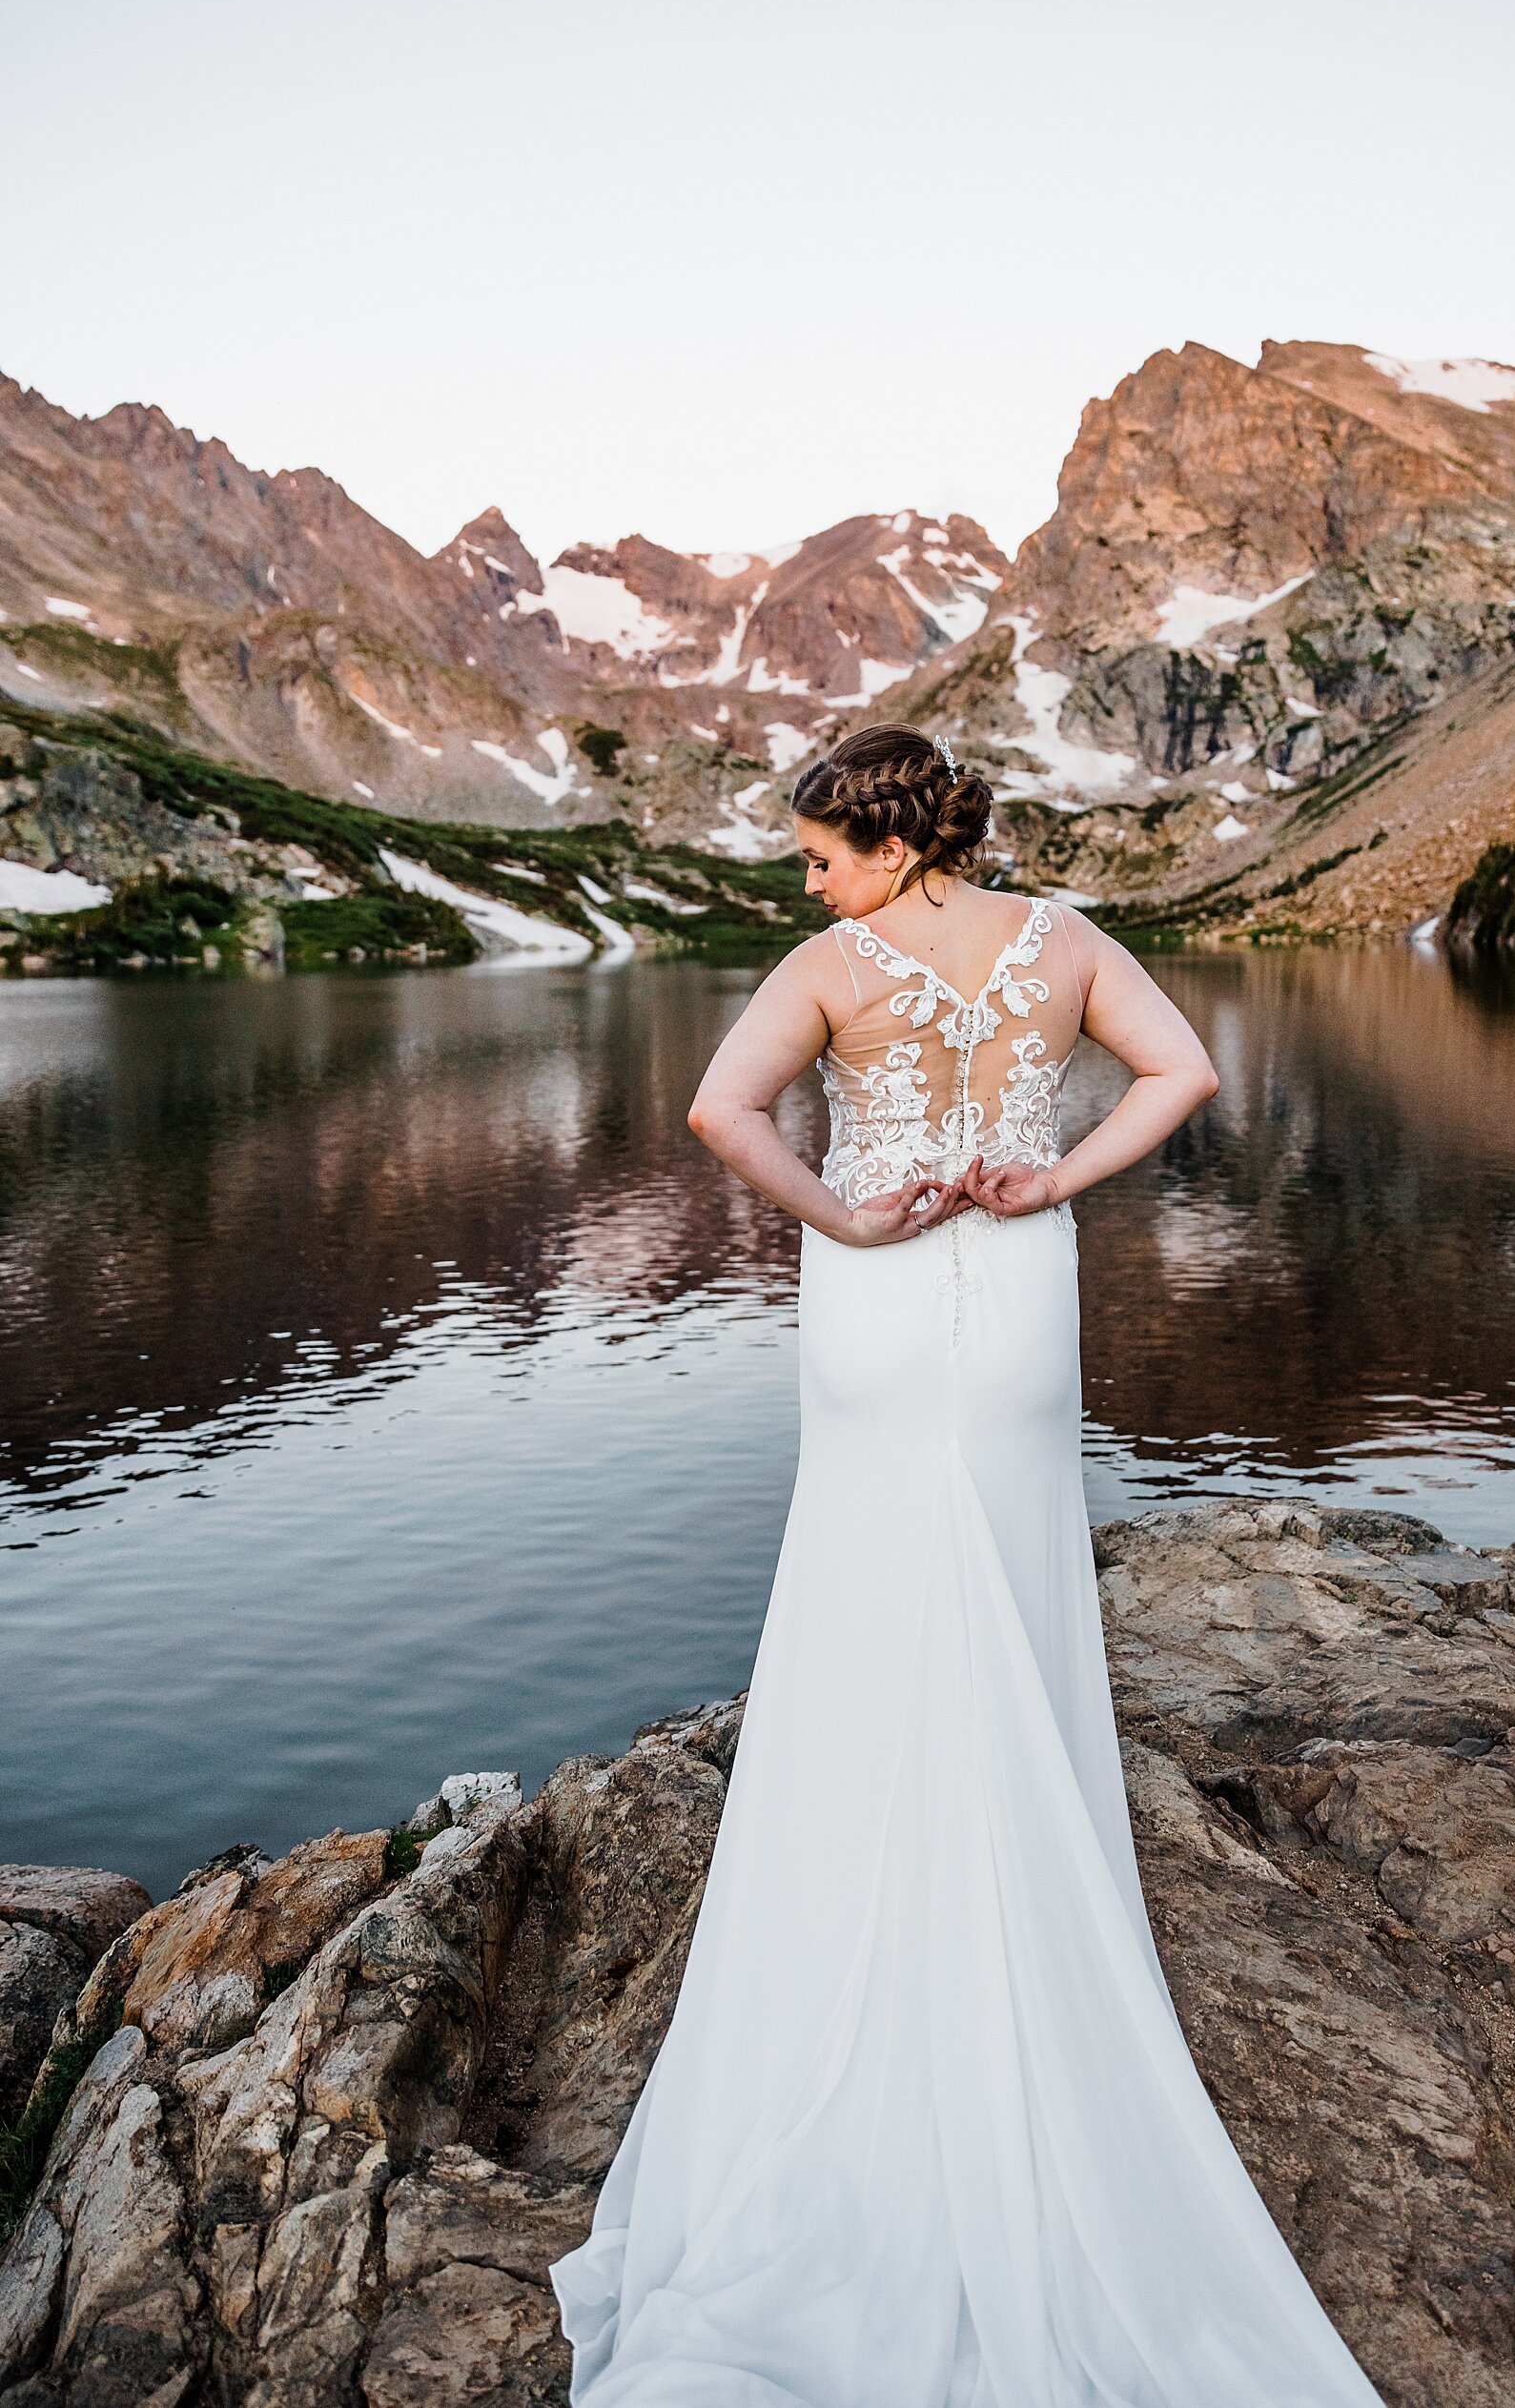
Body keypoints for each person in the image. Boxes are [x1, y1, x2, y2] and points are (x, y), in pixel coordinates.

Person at [550, 723, 1382, 2405]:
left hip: (877, 1297)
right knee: (1008, 1587)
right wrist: (1055, 1170)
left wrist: (845, 1216)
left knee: (864, 1592)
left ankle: (871, 1872)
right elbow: (1190, 1077)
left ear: (887, 848)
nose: (803, 881)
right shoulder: (1065, 940)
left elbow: (723, 1111)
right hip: (1014, 1289)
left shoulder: (831, 964)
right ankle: (1022, 1871)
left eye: (818, 855)